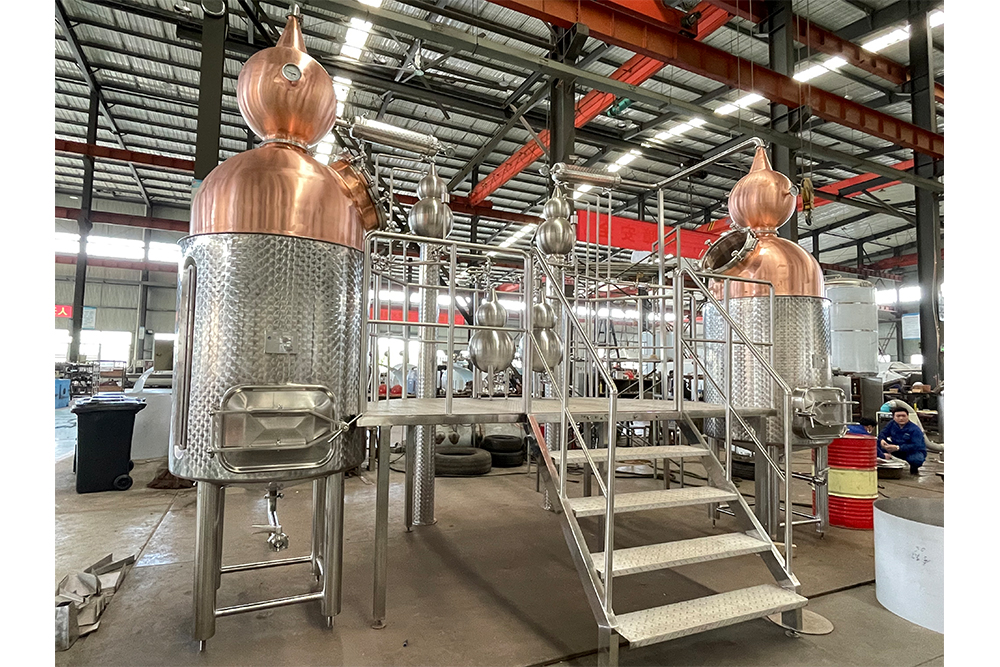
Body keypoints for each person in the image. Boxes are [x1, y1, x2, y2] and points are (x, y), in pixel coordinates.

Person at [877, 406, 927, 474]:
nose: (901, 418)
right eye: (898, 416)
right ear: (893, 417)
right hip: (895, 448)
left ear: (908, 416)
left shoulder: (915, 429)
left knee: (916, 460)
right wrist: (882, 440)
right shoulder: (892, 424)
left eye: (903, 416)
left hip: (911, 451)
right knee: (875, 444)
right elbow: (882, 433)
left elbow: (916, 445)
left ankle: (914, 468)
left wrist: (898, 448)